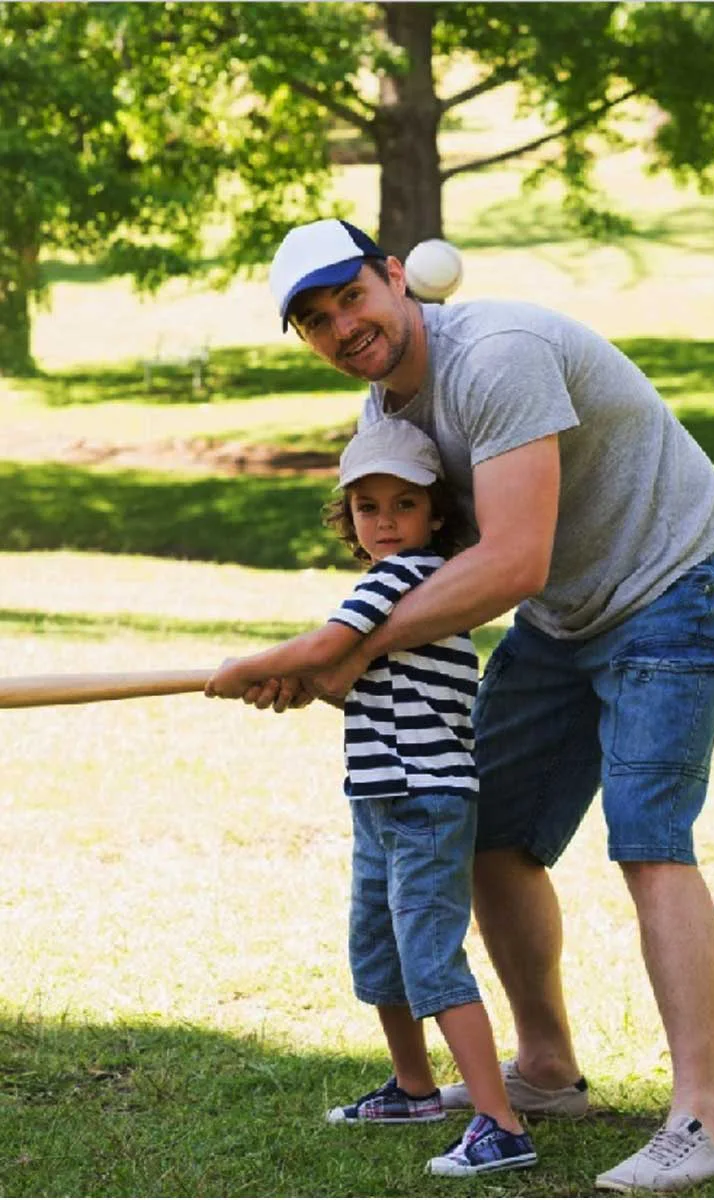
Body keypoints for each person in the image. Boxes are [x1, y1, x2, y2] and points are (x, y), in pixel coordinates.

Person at [258, 216, 714, 1192]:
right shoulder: (384, 412)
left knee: (649, 839)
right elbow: (426, 570)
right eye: (316, 320)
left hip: (674, 584)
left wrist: (345, 647)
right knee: (488, 832)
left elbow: (513, 560)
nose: (343, 327)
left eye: (352, 297)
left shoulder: (498, 355)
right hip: (566, 616)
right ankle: (548, 1069)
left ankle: (701, 1119)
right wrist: (331, 657)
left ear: (393, 277)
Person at [206, 416, 538, 1179]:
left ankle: (501, 1123)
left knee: (430, 957)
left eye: (404, 504)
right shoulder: (397, 590)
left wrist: (242, 668)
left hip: (425, 800)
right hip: (382, 797)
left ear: (436, 514)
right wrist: (296, 686)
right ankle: (414, 1089)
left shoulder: (408, 578)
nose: (385, 522)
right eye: (367, 507)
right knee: (380, 946)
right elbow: (351, 682)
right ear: (348, 516)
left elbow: (327, 648)